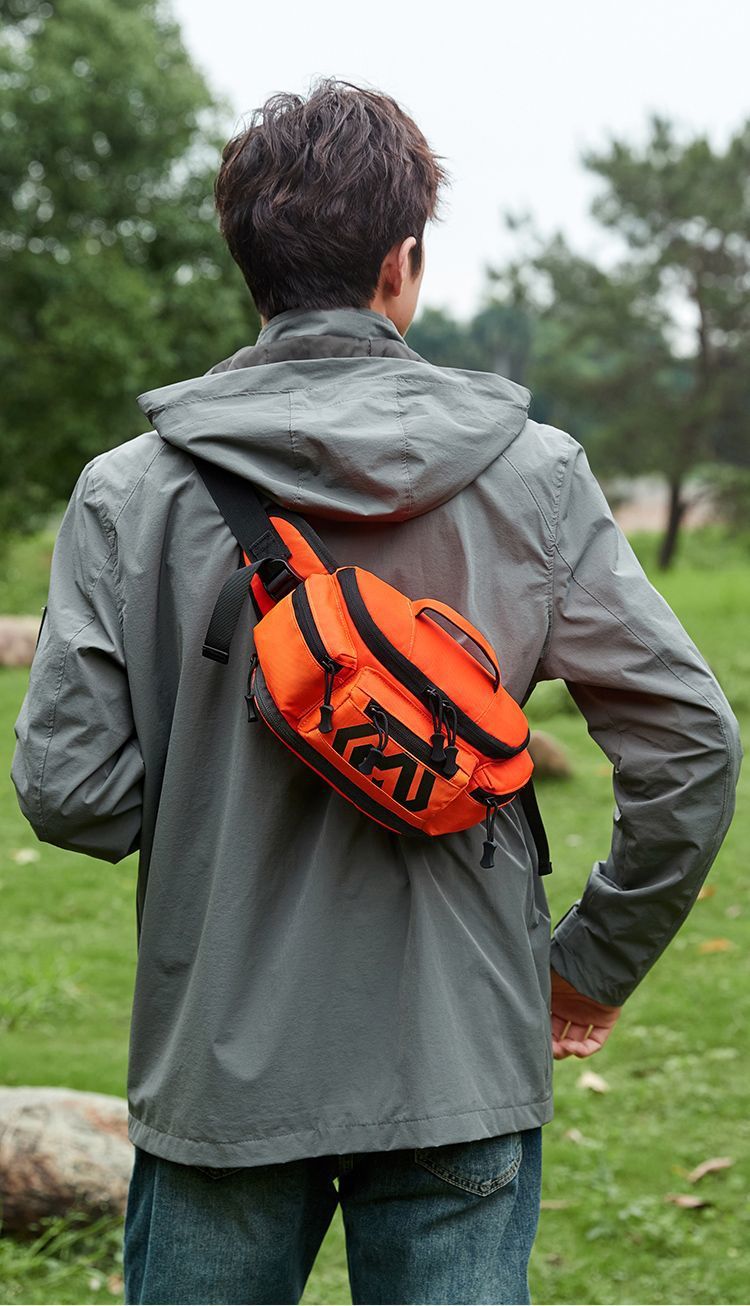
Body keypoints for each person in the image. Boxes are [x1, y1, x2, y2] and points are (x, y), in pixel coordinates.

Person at [11, 77, 741, 1306]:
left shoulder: (129, 490)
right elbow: (693, 747)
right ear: (402, 263)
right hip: (461, 1056)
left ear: (251, 268)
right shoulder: (536, 476)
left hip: (220, 1071)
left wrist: (215, 785)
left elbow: (70, 792)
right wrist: (590, 963)